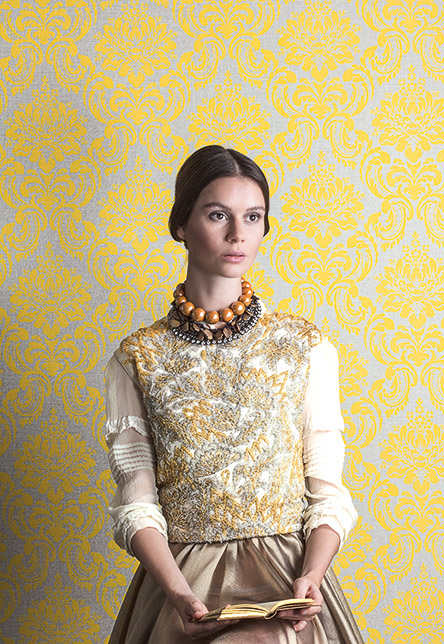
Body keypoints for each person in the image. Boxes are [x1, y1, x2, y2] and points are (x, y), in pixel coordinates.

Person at [104, 145, 361, 642]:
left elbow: (327, 491)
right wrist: (178, 594)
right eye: (218, 214)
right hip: (182, 585)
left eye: (253, 217)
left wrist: (312, 575)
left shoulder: (304, 347)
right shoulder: (137, 358)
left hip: (287, 576)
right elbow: (136, 505)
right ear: (182, 224)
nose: (238, 234)